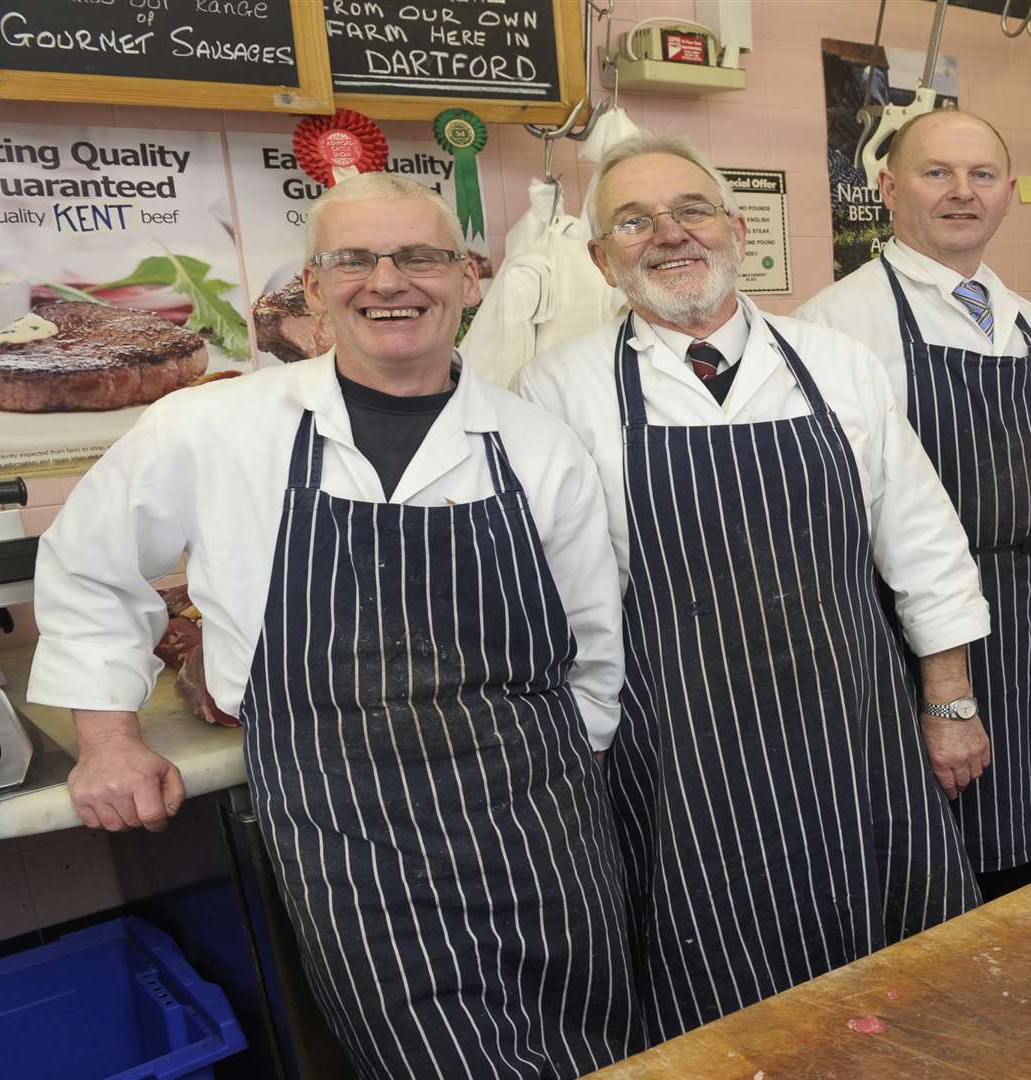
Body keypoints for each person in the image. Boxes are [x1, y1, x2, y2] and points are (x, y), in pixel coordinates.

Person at [32, 172, 637, 1077]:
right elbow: (89, 564)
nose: (387, 281)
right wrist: (109, 738)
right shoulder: (211, 425)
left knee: (593, 1037)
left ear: (468, 279)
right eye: (353, 259)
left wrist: (562, 770)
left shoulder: (536, 442)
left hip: (535, 812)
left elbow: (591, 638)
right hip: (344, 820)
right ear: (312, 288)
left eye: (420, 257)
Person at [517, 130, 988, 1047]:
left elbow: (923, 542)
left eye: (691, 209)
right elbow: (556, 598)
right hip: (683, 750)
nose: (669, 234)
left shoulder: (837, 362)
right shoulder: (556, 388)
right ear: (600, 257)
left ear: (735, 228)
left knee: (911, 979)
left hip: (854, 728)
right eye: (634, 220)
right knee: (726, 993)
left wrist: (951, 700)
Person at [795, 108, 1031, 899]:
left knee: (1029, 832)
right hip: (906, 625)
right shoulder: (836, 324)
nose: (961, 193)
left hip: (1030, 614)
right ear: (887, 187)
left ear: (1009, 193)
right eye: (936, 172)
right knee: (930, 836)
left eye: (981, 176)